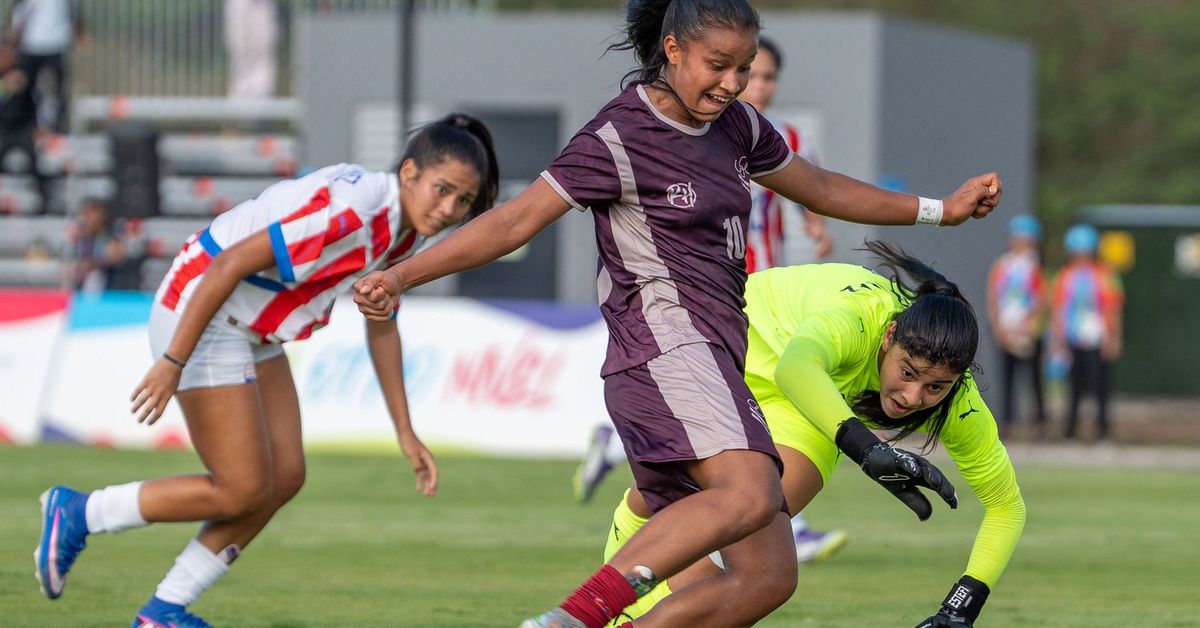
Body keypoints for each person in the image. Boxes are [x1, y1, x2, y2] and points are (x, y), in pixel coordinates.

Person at [355, 0, 1001, 624]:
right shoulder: (618, 135)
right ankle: (571, 620)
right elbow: (513, 222)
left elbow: (823, 188)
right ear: (672, 49)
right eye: (718, 65)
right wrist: (402, 275)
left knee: (768, 576)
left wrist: (939, 210)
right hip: (663, 349)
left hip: (718, 358)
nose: (732, 84)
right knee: (751, 492)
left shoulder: (739, 127)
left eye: (744, 68)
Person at [34, 113, 500, 628]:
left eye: (463, 201)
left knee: (285, 477)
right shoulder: (354, 214)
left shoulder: (404, 232)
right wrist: (172, 361)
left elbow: (381, 322)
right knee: (240, 489)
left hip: (250, 323)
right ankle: (80, 513)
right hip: (204, 308)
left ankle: (163, 610)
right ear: (409, 172)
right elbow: (228, 264)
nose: (449, 209)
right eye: (443, 190)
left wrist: (405, 431)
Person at [604, 242, 1026, 628]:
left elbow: (1006, 507)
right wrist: (867, 450)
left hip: (803, 394)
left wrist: (959, 610)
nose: (913, 397)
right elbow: (795, 367)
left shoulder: (960, 402)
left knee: (757, 561)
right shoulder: (860, 316)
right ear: (889, 336)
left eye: (935, 387)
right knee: (702, 507)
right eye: (907, 372)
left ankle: (617, 609)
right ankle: (614, 579)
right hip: (724, 347)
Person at [572, 34, 845, 566]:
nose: (751, 84)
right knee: (749, 407)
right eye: (744, 72)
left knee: (744, 407)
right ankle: (777, 519)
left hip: (765, 284)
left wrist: (817, 229)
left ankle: (635, 471)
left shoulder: (778, 136)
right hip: (713, 292)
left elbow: (812, 192)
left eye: (761, 75)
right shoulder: (688, 130)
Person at [739, 35, 832, 268]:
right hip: (714, 271)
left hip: (766, 270)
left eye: (768, 77)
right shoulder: (708, 128)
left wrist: (817, 224)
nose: (760, 86)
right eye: (752, 75)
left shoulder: (789, 137)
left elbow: (810, 188)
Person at [1052, 223, 1123, 442]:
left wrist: (1113, 337)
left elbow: (1113, 307)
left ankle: (1102, 431)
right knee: (1074, 388)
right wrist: (1058, 337)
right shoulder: (1065, 276)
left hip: (1098, 337)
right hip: (1073, 338)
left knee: (1101, 386)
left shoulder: (1105, 274)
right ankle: (1070, 431)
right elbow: (1059, 308)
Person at [986, 214, 1047, 438]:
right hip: (1006, 329)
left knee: (1034, 379)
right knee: (1007, 378)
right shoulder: (1002, 265)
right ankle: (1007, 422)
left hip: (1029, 331)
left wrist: (1030, 326)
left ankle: (1039, 423)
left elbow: (1041, 299)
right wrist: (998, 327)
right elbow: (993, 297)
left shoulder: (1035, 266)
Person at [7, 0, 85, 132]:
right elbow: (19, 16)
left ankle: (59, 126)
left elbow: (73, 11)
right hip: (31, 45)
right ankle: (22, 124)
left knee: (59, 89)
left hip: (56, 44)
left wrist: (79, 31)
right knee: (24, 88)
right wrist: (14, 42)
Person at [0, 39, 49, 212]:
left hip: (24, 128)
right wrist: (5, 87)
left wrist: (40, 125)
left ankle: (44, 203)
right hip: (3, 130)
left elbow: (37, 101)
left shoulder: (25, 74)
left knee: (36, 162)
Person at [65, 197, 127, 292]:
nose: (92, 218)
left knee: (95, 275)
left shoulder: (110, 234)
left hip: (108, 284)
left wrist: (93, 264)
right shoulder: (83, 235)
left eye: (95, 214)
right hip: (83, 284)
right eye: (87, 214)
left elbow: (115, 255)